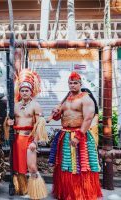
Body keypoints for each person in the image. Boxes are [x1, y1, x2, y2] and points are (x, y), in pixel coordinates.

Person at [49, 71, 102, 200]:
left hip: (80, 135)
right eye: (70, 83)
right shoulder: (66, 99)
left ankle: (79, 194)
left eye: (75, 83)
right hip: (65, 135)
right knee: (65, 164)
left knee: (80, 166)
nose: (72, 85)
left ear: (80, 84)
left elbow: (88, 119)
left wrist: (78, 136)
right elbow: (58, 118)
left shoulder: (85, 98)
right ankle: (67, 192)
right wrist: (55, 113)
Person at [7, 69, 48, 199]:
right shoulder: (15, 106)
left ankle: (37, 191)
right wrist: (8, 123)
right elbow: (9, 123)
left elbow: (39, 125)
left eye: (27, 90)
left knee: (31, 166)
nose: (24, 93)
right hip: (17, 139)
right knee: (18, 167)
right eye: (22, 90)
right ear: (19, 92)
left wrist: (34, 142)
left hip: (29, 138)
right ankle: (23, 189)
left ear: (31, 92)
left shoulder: (36, 105)